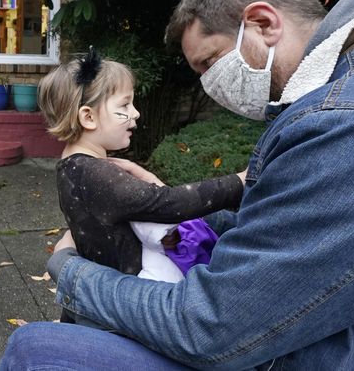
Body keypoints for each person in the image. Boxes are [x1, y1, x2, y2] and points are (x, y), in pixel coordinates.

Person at [0, 0, 354, 370]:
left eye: (211, 63)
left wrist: (72, 271)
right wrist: (168, 211)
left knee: (34, 350)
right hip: (351, 324)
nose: (209, 86)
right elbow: (287, 222)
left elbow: (210, 329)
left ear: (262, 23)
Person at [37, 49, 242, 314]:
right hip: (127, 305)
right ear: (88, 117)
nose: (135, 113)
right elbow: (167, 204)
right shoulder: (92, 173)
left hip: (109, 297)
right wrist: (239, 182)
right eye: (124, 106)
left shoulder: (73, 167)